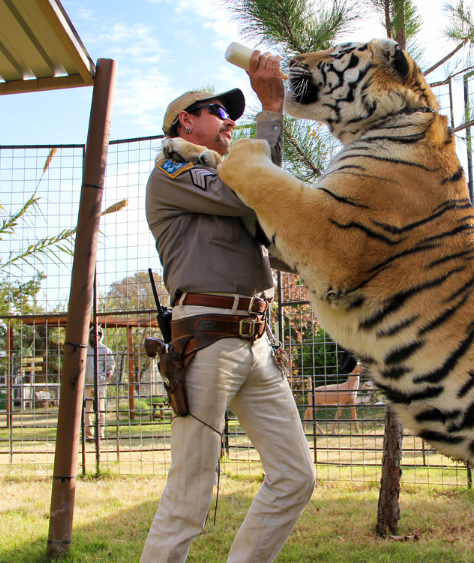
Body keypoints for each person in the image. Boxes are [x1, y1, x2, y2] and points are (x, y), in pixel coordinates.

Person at [141, 51, 315, 563]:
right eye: (218, 110)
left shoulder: (225, 180)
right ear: (185, 122)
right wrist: (271, 111)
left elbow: (271, 209)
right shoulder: (173, 169)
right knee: (189, 497)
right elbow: (252, 196)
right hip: (207, 338)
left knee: (295, 478)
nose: (229, 120)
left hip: (257, 341)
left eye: (232, 113)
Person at [84, 325, 116, 442]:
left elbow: (110, 366)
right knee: (86, 411)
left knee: (100, 410)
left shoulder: (105, 349)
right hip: (86, 385)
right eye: (93, 333)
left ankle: (99, 434)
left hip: (100, 385)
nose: (95, 335)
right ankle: (88, 435)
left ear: (101, 336)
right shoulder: (84, 348)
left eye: (98, 333)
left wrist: (105, 379)